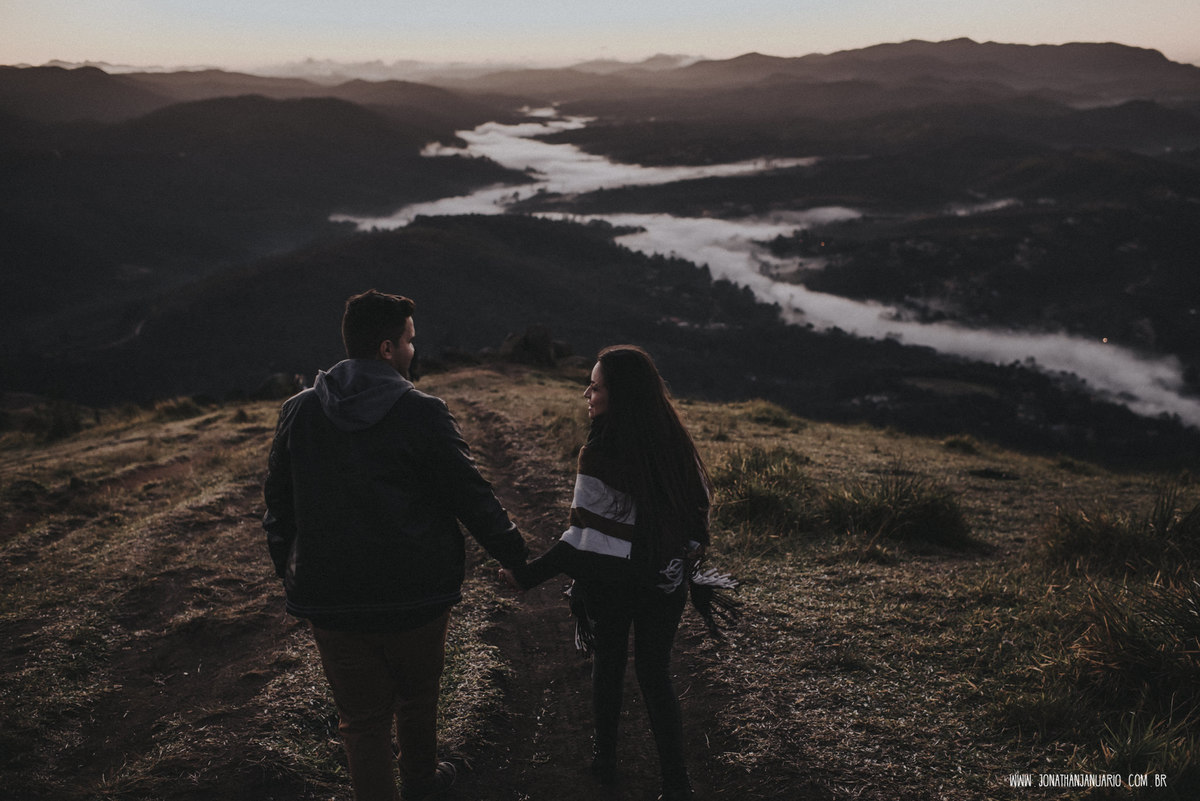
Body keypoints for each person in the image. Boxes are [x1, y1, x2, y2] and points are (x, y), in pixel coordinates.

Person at [264, 289, 529, 801]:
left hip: (332, 598)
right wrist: (518, 559)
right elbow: (471, 496)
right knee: (418, 698)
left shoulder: (299, 410)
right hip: (416, 593)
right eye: (410, 340)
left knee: (361, 723)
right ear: (387, 348)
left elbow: (278, 503)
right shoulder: (423, 411)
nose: (414, 349)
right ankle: (422, 782)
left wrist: (292, 568)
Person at [501, 345, 712, 801]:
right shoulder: (676, 444)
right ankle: (677, 783)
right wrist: (676, 560)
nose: (587, 394)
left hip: (611, 583)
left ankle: (605, 760)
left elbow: (583, 540)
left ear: (620, 396)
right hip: (664, 581)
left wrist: (527, 575)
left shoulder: (597, 454)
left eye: (595, 387)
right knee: (656, 673)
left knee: (609, 660)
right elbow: (698, 521)